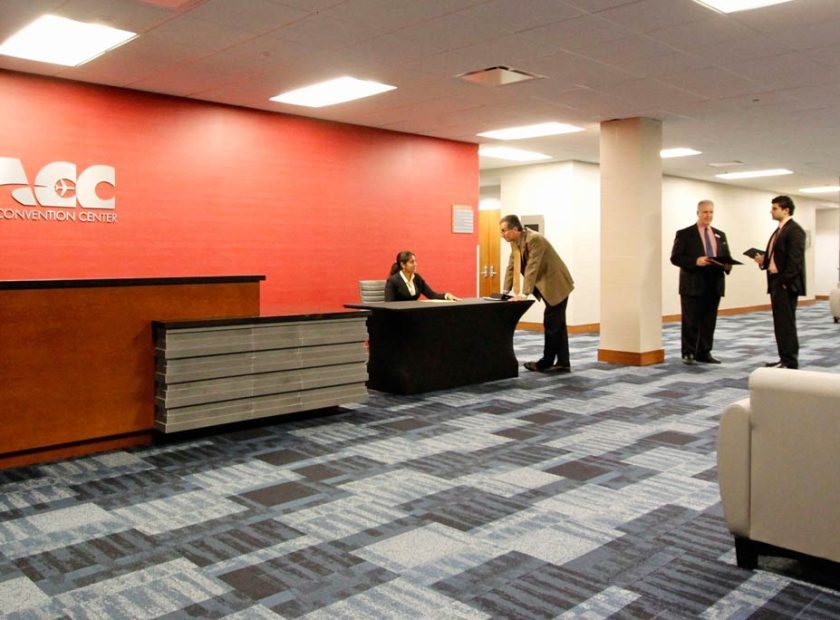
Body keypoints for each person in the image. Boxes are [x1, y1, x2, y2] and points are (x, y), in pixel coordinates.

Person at [500, 215, 574, 373]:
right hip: (546, 286)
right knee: (558, 324)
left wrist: (525, 293)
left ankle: (546, 363)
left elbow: (532, 267)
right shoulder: (515, 243)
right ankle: (563, 362)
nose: (502, 234)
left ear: (515, 229)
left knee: (552, 324)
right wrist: (504, 292)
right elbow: (511, 267)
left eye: (504, 231)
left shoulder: (535, 239)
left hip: (557, 285)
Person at [670, 200, 732, 365]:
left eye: (711, 212)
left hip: (714, 284)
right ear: (697, 213)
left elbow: (726, 256)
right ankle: (689, 352)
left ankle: (704, 352)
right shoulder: (684, 234)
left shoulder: (720, 234)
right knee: (691, 320)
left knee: (709, 320)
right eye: (705, 212)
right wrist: (696, 261)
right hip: (693, 283)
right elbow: (675, 258)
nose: (708, 215)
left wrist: (727, 265)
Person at [752, 195, 806, 369]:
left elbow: (795, 261)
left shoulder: (794, 230)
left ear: (786, 210)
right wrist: (765, 261)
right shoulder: (780, 229)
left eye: (774, 208)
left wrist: (784, 282)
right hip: (776, 281)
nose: (771, 211)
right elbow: (779, 256)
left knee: (786, 323)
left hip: (785, 284)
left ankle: (790, 361)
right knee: (780, 323)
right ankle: (784, 358)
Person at [384, 250, 460, 302]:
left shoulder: (417, 278)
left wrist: (446, 295)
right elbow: (389, 304)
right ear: (403, 265)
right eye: (412, 262)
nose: (415, 264)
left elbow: (432, 295)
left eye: (415, 261)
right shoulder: (392, 281)